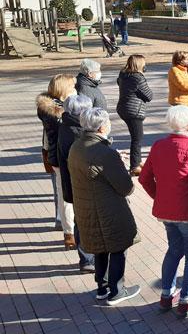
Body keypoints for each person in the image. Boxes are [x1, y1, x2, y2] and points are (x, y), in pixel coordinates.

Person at [139, 105, 188, 318]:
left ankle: (166, 295)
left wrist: (160, 197)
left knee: (174, 250)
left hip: (167, 212)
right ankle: (186, 300)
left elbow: (144, 178)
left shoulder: (158, 146)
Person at [68, 108, 141, 305]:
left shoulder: (77, 147)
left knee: (100, 248)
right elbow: (126, 187)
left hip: (87, 208)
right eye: (108, 122)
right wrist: (120, 164)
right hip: (108, 209)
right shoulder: (104, 153)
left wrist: (114, 159)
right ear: (101, 127)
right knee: (118, 247)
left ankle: (102, 286)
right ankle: (117, 291)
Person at [36, 73, 77, 248]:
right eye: (72, 86)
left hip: (55, 157)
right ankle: (69, 232)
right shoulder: (62, 113)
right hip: (66, 158)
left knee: (63, 194)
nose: (75, 89)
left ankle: (69, 231)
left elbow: (46, 137)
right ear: (64, 89)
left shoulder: (47, 109)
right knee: (67, 196)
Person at [57, 94, 95, 272]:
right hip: (83, 184)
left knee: (80, 221)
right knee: (87, 221)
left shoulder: (64, 126)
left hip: (70, 183)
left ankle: (86, 258)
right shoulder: (79, 131)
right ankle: (89, 258)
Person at [117, 55, 153, 176]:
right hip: (134, 111)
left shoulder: (123, 75)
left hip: (123, 108)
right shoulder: (138, 78)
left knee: (136, 137)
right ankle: (134, 166)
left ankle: (137, 161)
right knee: (137, 138)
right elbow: (149, 96)